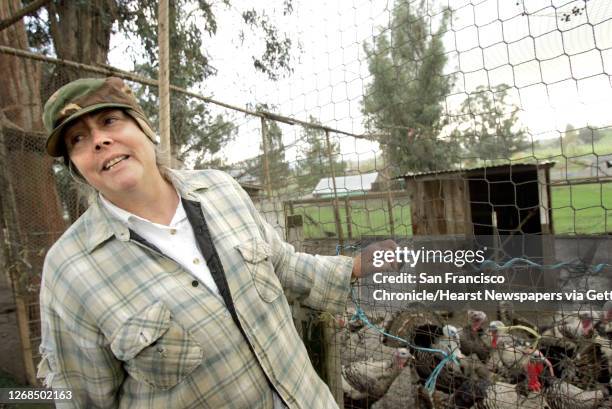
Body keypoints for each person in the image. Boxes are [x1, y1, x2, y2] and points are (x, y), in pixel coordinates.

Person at [37, 77, 377, 408]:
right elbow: (79, 396)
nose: (98, 141)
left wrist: (357, 265)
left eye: (109, 120)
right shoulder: (70, 269)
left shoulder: (221, 190)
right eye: (77, 140)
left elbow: (282, 265)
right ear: (76, 168)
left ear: (144, 127)